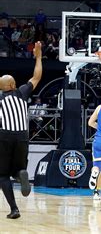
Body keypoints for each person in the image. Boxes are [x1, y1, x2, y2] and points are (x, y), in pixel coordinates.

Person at [0, 41, 42, 219]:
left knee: (2, 175)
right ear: (14, 85)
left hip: (4, 136)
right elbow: (37, 76)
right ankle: (21, 174)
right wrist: (38, 57)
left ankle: (14, 209)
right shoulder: (21, 93)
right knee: (18, 168)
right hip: (23, 136)